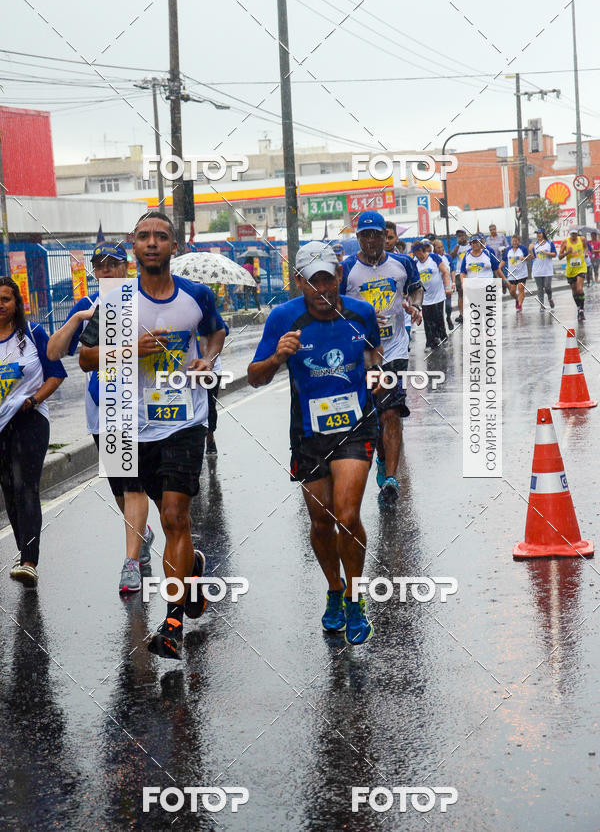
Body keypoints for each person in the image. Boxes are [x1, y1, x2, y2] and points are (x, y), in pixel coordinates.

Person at [79, 211, 227, 659]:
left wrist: (208, 359)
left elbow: (216, 332)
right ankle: (193, 567)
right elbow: (85, 359)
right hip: (132, 422)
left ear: (173, 246)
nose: (151, 243)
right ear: (134, 246)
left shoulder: (196, 294)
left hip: (184, 420)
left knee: (174, 518)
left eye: (161, 236)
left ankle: (171, 623)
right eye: (143, 236)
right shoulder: (115, 301)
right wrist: (128, 349)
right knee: (161, 513)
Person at [248, 241, 383, 645]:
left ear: (339, 277)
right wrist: (276, 358)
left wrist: (376, 378)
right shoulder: (283, 318)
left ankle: (357, 598)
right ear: (300, 281)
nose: (323, 289)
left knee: (346, 512)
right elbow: (254, 376)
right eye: (314, 281)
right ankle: (335, 590)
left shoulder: (361, 312)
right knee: (322, 521)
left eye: (329, 279)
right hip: (307, 433)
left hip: (355, 427)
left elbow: (373, 354)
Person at [47, 242, 153, 595]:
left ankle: (131, 563)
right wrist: (78, 319)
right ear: (94, 271)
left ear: (126, 267)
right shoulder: (88, 306)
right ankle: (143, 535)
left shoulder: (144, 301)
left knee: (135, 486)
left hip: (140, 409)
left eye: (113, 264)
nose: (106, 270)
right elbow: (53, 351)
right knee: (121, 491)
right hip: (102, 411)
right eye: (100, 265)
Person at [340, 210, 422, 506]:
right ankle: (382, 458)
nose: (372, 240)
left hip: (395, 348)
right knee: (373, 414)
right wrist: (356, 317)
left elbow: (416, 289)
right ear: (358, 238)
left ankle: (389, 479)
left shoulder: (402, 263)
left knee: (391, 412)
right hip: (361, 353)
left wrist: (416, 307)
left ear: (384, 237)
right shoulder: (347, 268)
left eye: (376, 234)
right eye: (366, 235)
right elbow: (334, 306)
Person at [0, 277, 67, 587]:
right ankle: (23, 550)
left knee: (27, 486)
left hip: (30, 418)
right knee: (10, 491)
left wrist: (34, 399)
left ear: (17, 304)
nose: (0, 304)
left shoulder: (33, 335)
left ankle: (29, 561)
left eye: (6, 299)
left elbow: (56, 374)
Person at [412, 239, 451, 350]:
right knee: (427, 320)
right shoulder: (415, 263)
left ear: (421, 250)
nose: (415, 255)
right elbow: (414, 279)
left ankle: (443, 338)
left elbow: (445, 272)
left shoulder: (434, 258)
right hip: (425, 297)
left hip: (438, 295)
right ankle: (430, 343)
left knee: (438, 318)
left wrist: (447, 287)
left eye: (416, 252)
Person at [558, 228, 587, 321]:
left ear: (577, 233)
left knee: (579, 289)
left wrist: (585, 253)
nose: (574, 236)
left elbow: (585, 247)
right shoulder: (565, 242)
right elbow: (559, 257)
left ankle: (582, 310)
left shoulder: (582, 239)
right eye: (572, 234)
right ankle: (579, 308)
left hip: (581, 268)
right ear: (569, 234)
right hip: (570, 270)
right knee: (574, 291)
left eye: (575, 234)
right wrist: (567, 252)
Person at [529, 229, 557, 311]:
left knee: (547, 287)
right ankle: (542, 305)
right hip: (537, 270)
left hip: (547, 270)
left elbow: (554, 254)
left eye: (540, 233)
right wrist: (530, 250)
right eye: (537, 233)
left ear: (543, 234)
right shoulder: (534, 245)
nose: (538, 235)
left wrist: (546, 253)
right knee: (540, 288)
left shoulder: (549, 243)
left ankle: (550, 298)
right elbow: (532, 257)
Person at [433, 238, 455, 329]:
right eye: (438, 248)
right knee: (438, 309)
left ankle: (448, 317)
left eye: (442, 247)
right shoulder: (432, 258)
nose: (440, 249)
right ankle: (440, 327)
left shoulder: (447, 257)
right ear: (434, 248)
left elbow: (452, 270)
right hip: (437, 287)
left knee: (448, 305)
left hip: (447, 284)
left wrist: (453, 282)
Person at [503, 234, 529, 311]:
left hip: (522, 273)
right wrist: (499, 268)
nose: (514, 242)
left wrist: (523, 258)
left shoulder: (523, 248)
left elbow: (529, 258)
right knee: (512, 291)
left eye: (516, 241)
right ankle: (517, 299)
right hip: (512, 274)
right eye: (513, 241)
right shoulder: (508, 250)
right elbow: (504, 260)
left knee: (521, 288)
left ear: (519, 241)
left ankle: (520, 305)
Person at [449, 228, 470, 323]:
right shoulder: (457, 247)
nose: (461, 238)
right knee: (460, 293)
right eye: (459, 236)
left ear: (466, 236)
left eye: (462, 235)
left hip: (470, 272)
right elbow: (451, 256)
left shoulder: (471, 245)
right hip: (459, 272)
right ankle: (461, 314)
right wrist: (457, 245)